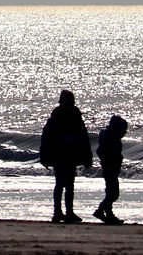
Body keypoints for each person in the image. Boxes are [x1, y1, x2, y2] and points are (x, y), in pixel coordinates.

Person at [39, 90, 93, 224]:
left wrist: (87, 155)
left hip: (65, 154)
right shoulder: (66, 115)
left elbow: (46, 137)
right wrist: (87, 155)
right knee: (66, 184)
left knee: (65, 184)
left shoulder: (63, 115)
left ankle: (63, 212)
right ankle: (62, 212)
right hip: (63, 154)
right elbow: (83, 136)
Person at [93, 115, 127, 225]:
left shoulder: (112, 138)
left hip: (111, 168)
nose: (124, 132)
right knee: (113, 193)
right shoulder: (110, 139)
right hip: (110, 168)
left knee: (110, 192)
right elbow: (101, 151)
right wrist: (108, 161)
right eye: (123, 129)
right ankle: (100, 210)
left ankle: (109, 213)